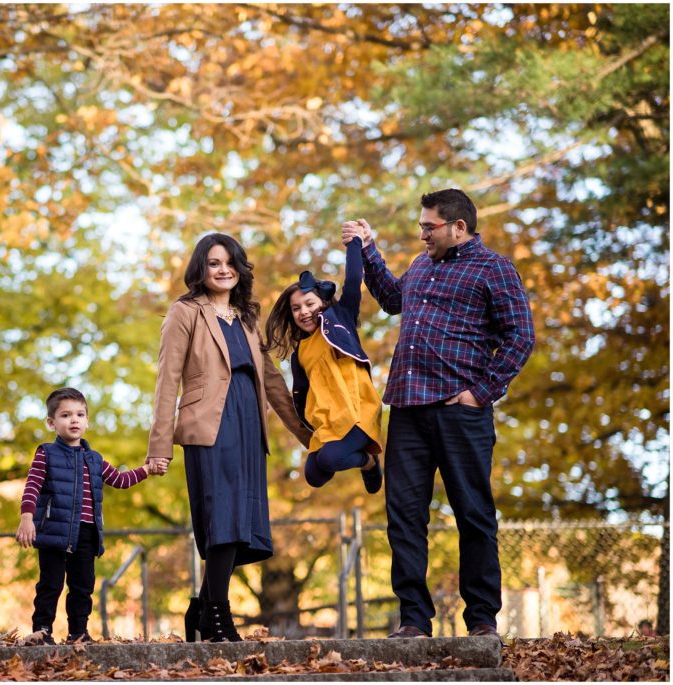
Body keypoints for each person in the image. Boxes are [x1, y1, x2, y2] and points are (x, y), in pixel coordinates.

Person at [344, 188, 535, 639]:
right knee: (404, 517)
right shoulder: (421, 266)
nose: (422, 233)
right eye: (421, 226)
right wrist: (369, 249)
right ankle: (413, 619)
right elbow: (392, 299)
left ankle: (482, 620)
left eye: (429, 227)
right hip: (407, 409)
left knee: (473, 513)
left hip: (460, 412)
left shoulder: (494, 268)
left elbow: (520, 336)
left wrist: (481, 392)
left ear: (458, 227)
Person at [146, 233, 312, 643]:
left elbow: (272, 382)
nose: (223, 270)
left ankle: (202, 608)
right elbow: (167, 380)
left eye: (230, 263)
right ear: (200, 269)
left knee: (241, 521)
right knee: (223, 517)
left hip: (248, 423)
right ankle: (217, 618)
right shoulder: (184, 312)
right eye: (214, 263)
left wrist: (310, 437)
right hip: (208, 425)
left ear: (240, 268)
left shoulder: (247, 317)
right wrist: (160, 446)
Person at [16, 387, 166, 645]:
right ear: (52, 423)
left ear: (87, 421)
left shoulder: (95, 459)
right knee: (50, 584)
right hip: (54, 531)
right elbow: (32, 486)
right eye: (65, 415)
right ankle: (42, 630)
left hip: (87, 532)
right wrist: (27, 518)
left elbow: (120, 480)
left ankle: (79, 633)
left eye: (79, 414)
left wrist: (147, 470)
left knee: (82, 586)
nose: (73, 420)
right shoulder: (46, 453)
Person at [263, 237, 383, 493]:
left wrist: (355, 243)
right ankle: (355, 456)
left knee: (330, 459)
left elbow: (352, 282)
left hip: (357, 413)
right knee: (314, 476)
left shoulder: (340, 320)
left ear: (324, 303)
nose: (303, 312)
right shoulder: (300, 353)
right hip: (329, 423)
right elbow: (302, 395)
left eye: (309, 304)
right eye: (296, 308)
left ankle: (369, 462)